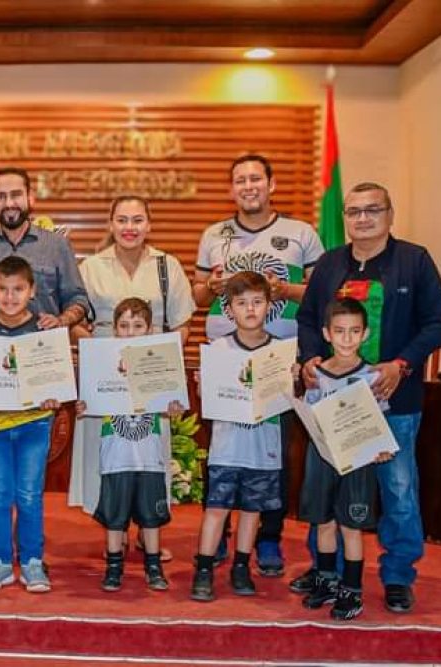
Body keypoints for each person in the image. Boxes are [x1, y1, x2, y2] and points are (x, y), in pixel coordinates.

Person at [296, 182, 441, 614]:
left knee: (398, 488)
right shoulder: (329, 265)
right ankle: (326, 570)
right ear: (344, 218)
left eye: (372, 210)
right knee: (328, 493)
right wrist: (309, 358)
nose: (362, 219)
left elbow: (437, 323)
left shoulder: (414, 261)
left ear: (389, 214)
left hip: (393, 400)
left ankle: (399, 575)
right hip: (333, 402)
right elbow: (309, 320)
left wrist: (400, 364)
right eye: (354, 211)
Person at [192, 155, 324, 577]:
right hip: (225, 359)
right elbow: (196, 296)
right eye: (239, 180)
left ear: (271, 184)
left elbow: (320, 294)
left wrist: (282, 288)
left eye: (255, 178)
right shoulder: (215, 234)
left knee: (273, 453)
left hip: (277, 359)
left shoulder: (300, 233)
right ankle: (220, 535)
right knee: (223, 451)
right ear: (231, 188)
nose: (248, 186)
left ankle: (267, 537)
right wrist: (209, 288)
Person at [0, 167, 90, 573]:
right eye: (0, 196)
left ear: (30, 197)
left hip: (40, 373)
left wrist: (62, 319)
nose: (8, 203)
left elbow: (80, 298)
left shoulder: (56, 247)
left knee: (30, 483)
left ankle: (30, 556)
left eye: (15, 194)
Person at [73, 195, 195, 548]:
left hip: (151, 377)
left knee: (148, 454)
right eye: (122, 220)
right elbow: (75, 322)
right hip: (107, 379)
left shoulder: (166, 266)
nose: (130, 227)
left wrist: (164, 359)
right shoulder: (91, 267)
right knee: (109, 451)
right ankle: (116, 529)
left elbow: (183, 322)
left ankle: (146, 530)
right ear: (110, 224)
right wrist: (97, 349)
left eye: (137, 220)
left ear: (149, 224)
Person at [74, 297, 184, 592]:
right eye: (123, 325)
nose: (130, 331)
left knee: (151, 516)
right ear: (114, 330)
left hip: (149, 455)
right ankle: (113, 566)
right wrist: (84, 405)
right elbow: (90, 402)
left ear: (149, 330)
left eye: (137, 325)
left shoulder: (160, 363)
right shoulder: (102, 364)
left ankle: (153, 565)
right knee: (114, 516)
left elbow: (170, 405)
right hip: (116, 455)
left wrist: (173, 407)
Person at [0, 256, 64, 594]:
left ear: (32, 290)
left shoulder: (45, 331)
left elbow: (56, 380)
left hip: (33, 425)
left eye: (18, 290)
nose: (10, 297)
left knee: (28, 495)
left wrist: (55, 396)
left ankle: (32, 562)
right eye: (2, 289)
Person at [190, 272, 284, 602]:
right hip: (226, 448)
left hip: (264, 449)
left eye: (258, 302)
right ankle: (203, 569)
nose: (250, 309)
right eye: (242, 303)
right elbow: (208, 400)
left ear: (269, 307)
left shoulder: (281, 352)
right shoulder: (218, 348)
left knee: (251, 511)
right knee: (216, 509)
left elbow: (287, 400)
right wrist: (205, 385)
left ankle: (241, 566)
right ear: (229, 310)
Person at [298, 298, 393, 621]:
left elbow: (377, 422)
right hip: (322, 458)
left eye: (354, 331)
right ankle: (327, 579)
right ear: (327, 333)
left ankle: (352, 590)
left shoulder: (371, 376)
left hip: (357, 462)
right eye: (340, 331)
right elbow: (310, 413)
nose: (347, 338)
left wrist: (381, 447)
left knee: (351, 527)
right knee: (323, 522)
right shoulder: (316, 375)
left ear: (365, 334)